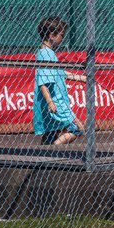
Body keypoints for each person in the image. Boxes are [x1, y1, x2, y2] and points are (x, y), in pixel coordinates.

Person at [32, 16, 84, 146]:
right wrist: (50, 102)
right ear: (51, 35)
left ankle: (45, 156)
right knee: (77, 129)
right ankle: (55, 148)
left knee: (51, 133)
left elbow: (60, 73)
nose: (62, 38)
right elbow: (42, 81)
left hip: (55, 102)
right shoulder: (46, 54)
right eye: (61, 35)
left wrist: (83, 78)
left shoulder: (48, 53)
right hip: (56, 102)